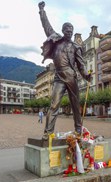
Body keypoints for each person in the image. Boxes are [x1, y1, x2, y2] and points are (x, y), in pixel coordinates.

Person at [38, 1, 91, 140]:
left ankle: (78, 130)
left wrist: (86, 75)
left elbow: (81, 64)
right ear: (63, 31)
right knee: (54, 105)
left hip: (71, 77)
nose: (69, 33)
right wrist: (42, 11)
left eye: (71, 31)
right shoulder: (55, 39)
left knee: (75, 104)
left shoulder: (75, 46)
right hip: (58, 76)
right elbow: (46, 25)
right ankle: (48, 133)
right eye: (67, 31)